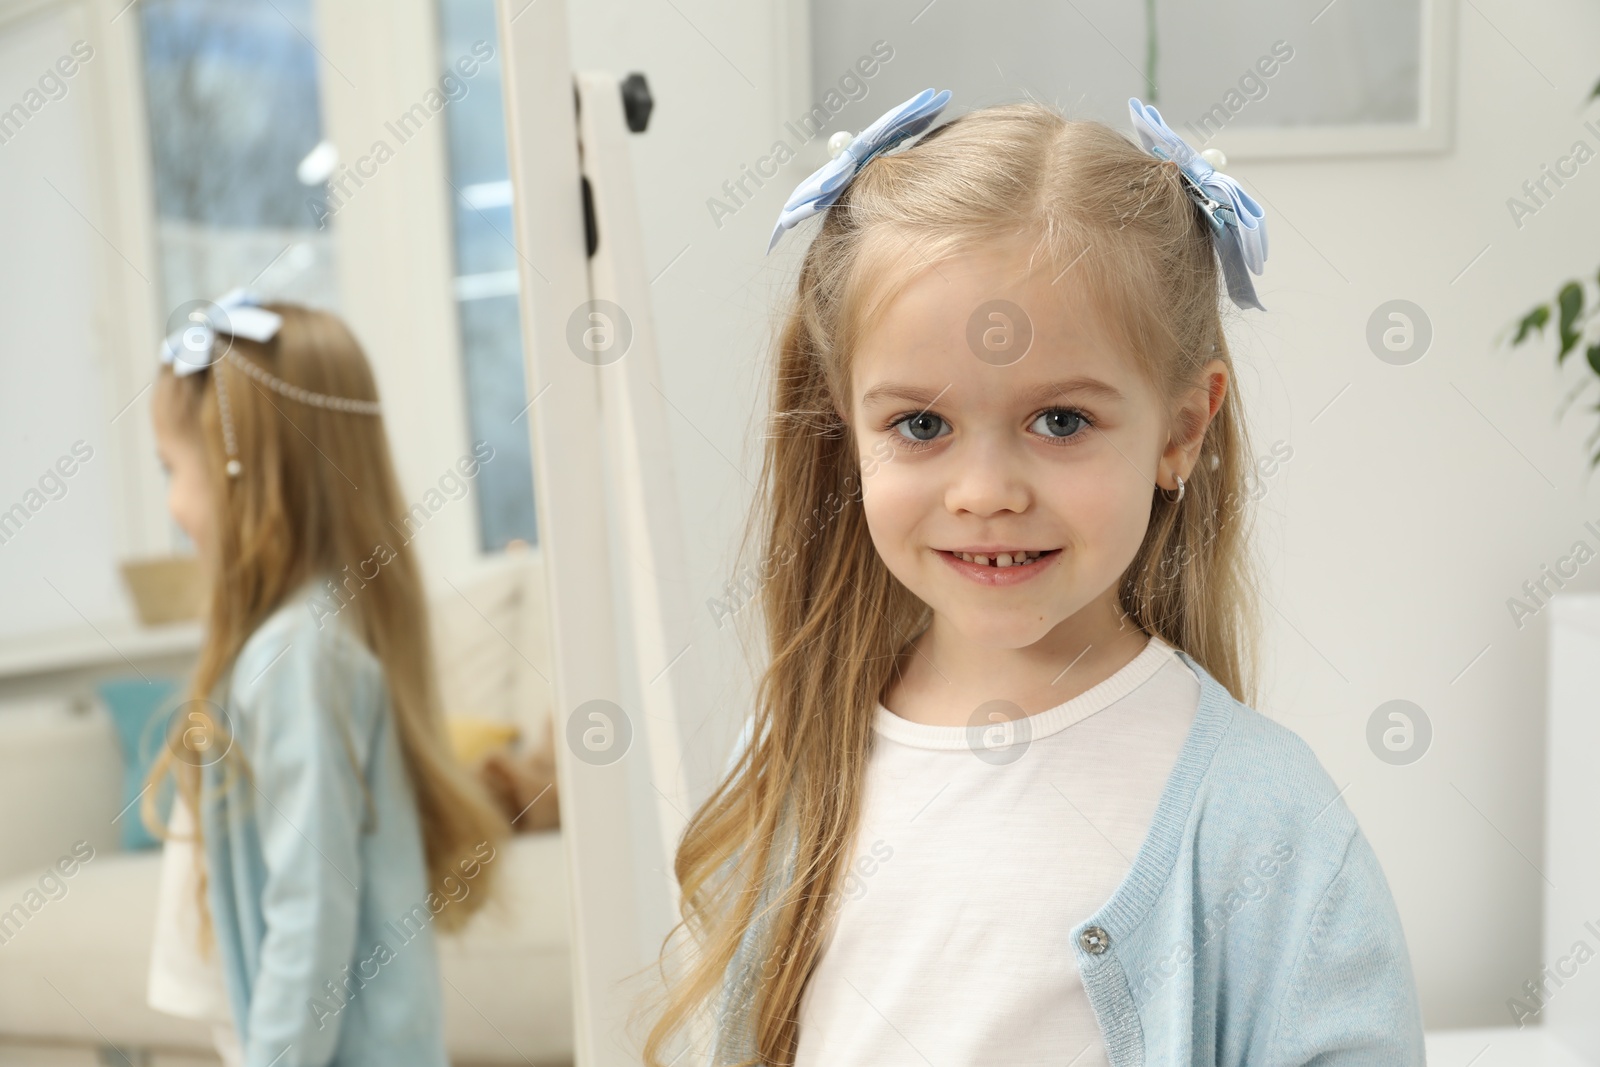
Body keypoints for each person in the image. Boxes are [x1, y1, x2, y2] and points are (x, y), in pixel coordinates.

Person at [640, 91, 1424, 1066]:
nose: (985, 492)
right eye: (919, 425)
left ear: (1180, 429)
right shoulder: (798, 748)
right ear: (845, 422)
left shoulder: (1264, 817)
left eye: (1059, 421)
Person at [144, 295, 508, 1066]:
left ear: (239, 472)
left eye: (171, 469)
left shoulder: (294, 657)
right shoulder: (309, 642)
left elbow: (310, 909)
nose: (172, 505)